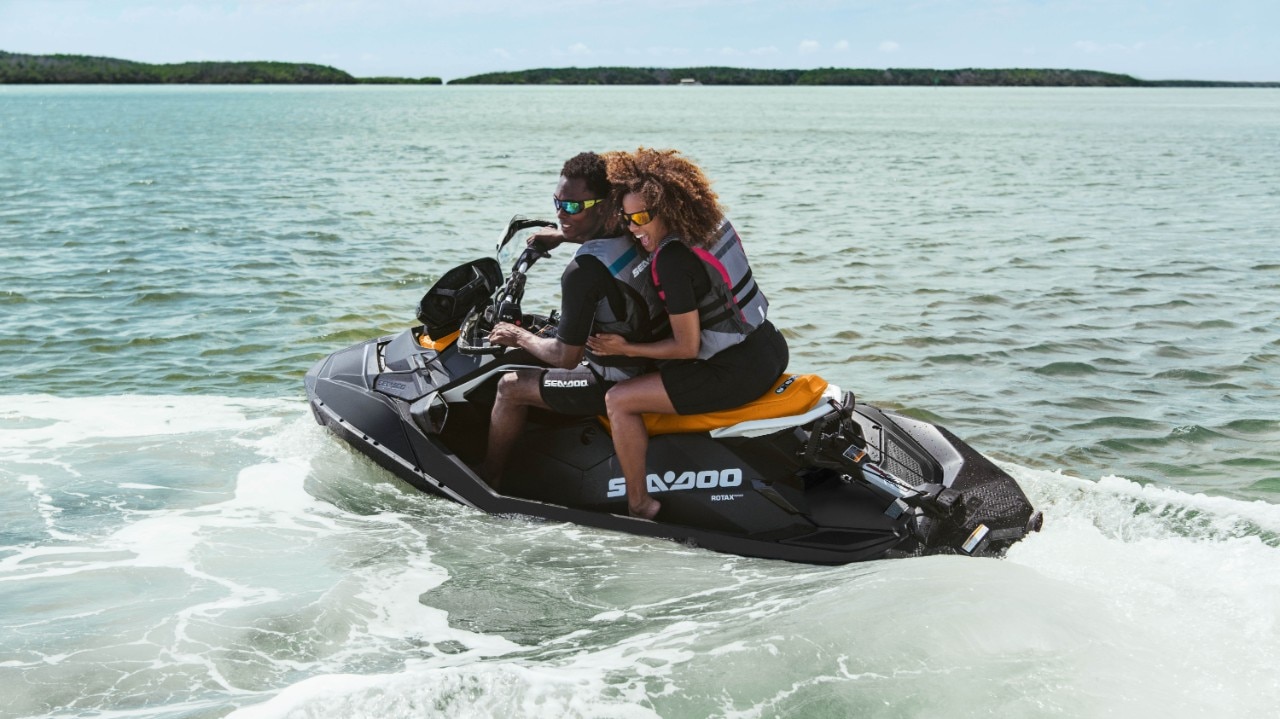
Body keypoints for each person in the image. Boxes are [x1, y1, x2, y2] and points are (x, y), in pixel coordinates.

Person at [588, 148, 788, 519]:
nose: (632, 227)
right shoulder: (708, 223)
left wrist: (627, 347)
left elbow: (685, 347)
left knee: (619, 399)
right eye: (626, 217)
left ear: (668, 209)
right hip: (770, 346)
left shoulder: (672, 260)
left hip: (734, 371)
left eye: (641, 218)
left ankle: (639, 503)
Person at [480, 152, 666, 487]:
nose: (561, 213)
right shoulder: (632, 227)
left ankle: (489, 480)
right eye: (557, 203)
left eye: (572, 207)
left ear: (604, 204)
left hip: (613, 378)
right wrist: (562, 233)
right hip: (646, 356)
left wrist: (518, 336)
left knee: (509, 387)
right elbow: (601, 235)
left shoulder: (582, 273)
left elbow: (565, 358)